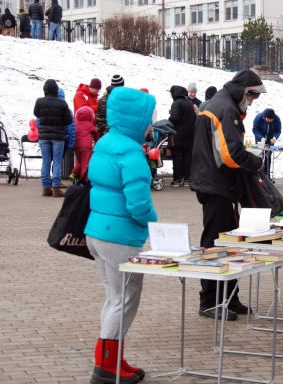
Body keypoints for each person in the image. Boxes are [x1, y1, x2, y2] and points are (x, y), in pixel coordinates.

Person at [85, 87, 157, 384]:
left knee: (114, 298)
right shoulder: (130, 152)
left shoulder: (105, 143)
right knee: (124, 299)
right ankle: (105, 367)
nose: (152, 123)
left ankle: (112, 360)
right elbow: (138, 203)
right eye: (149, 117)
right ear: (136, 119)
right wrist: (153, 221)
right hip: (120, 237)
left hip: (98, 232)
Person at [190, 70, 266, 321]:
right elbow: (231, 154)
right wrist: (256, 162)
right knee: (214, 243)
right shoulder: (225, 108)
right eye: (252, 97)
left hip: (216, 183)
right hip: (216, 185)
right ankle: (211, 301)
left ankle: (230, 298)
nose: (252, 103)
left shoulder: (220, 104)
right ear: (245, 92)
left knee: (230, 245)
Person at [34, 79, 73, 197]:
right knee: (57, 161)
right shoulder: (62, 103)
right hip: (58, 136)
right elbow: (68, 120)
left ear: (45, 90)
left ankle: (45, 188)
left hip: (44, 136)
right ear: (56, 90)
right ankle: (56, 187)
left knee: (46, 161)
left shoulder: (39, 102)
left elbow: (37, 114)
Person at [168, 85, 196, 186]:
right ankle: (187, 178)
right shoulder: (189, 103)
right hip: (189, 134)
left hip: (178, 134)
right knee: (187, 156)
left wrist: (169, 120)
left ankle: (176, 179)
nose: (171, 95)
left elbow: (175, 118)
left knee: (177, 157)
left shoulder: (176, 103)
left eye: (171, 93)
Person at [70, 105, 99, 184]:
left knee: (79, 161)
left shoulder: (75, 124)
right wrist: (97, 140)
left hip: (76, 146)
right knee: (85, 164)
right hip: (86, 147)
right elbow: (95, 133)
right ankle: (84, 181)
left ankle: (73, 174)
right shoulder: (89, 125)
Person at [252, 108, 281, 180]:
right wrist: (260, 137)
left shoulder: (277, 119)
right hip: (260, 139)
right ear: (264, 117)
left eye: (271, 120)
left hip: (270, 139)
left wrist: (275, 137)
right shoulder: (258, 117)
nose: (269, 121)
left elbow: (278, 130)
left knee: (268, 156)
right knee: (260, 156)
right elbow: (255, 129)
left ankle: (267, 176)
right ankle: (258, 175)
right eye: (268, 119)